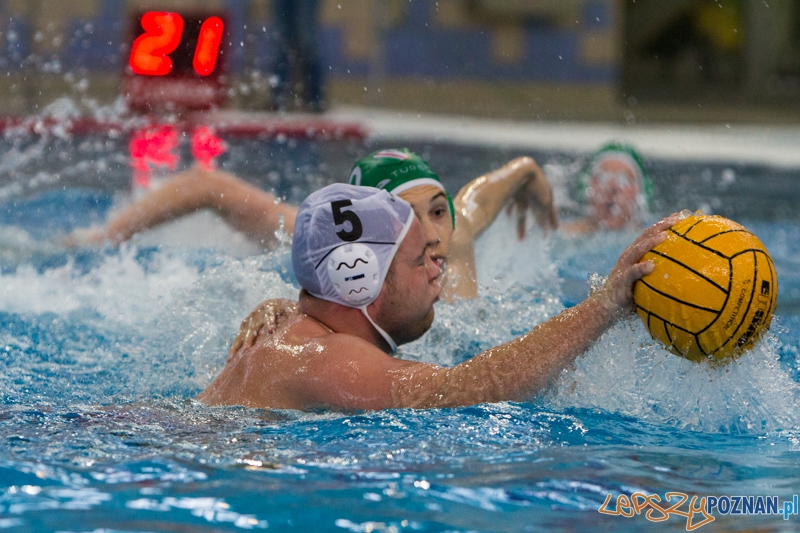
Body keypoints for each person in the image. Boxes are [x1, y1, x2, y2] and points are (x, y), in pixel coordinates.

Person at [199, 184, 680, 411]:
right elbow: (471, 388)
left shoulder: (292, 331)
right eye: (420, 259)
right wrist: (603, 306)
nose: (439, 268)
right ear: (357, 281)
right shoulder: (328, 359)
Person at [71, 148, 557, 302]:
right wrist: (102, 240)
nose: (433, 236)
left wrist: (529, 172)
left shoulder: (457, 236)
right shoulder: (323, 238)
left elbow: (486, 192)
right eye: (406, 217)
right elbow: (202, 184)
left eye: (437, 211)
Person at [561, 143, 653, 234]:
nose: (613, 187)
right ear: (585, 187)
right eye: (602, 177)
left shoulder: (655, 242)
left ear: (641, 194)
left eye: (625, 179)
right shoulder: (562, 236)